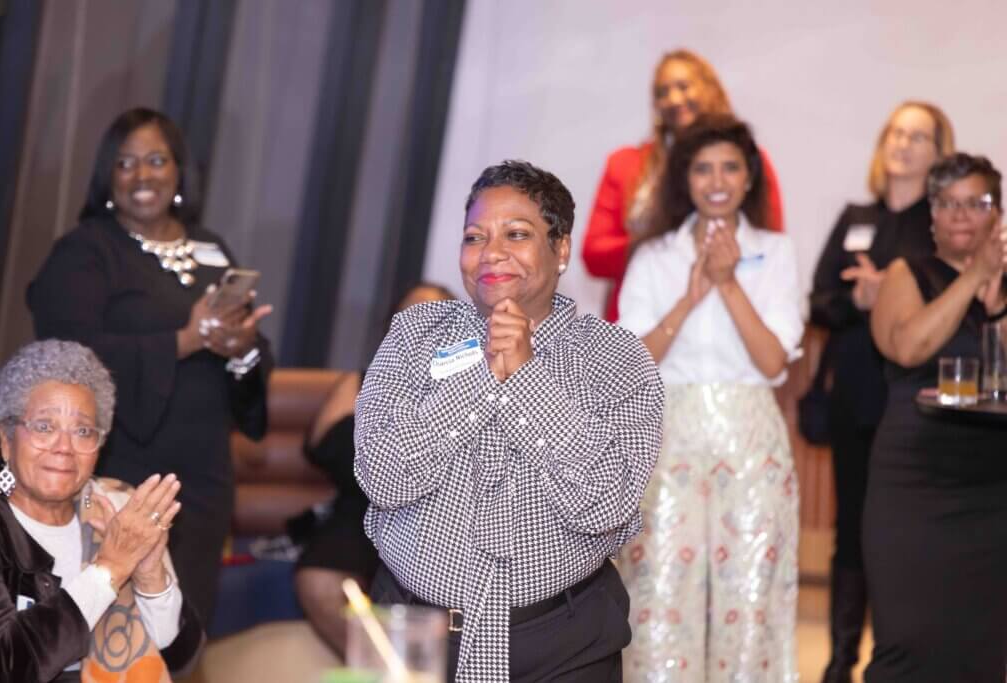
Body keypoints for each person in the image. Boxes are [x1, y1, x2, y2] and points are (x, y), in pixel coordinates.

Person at [354, 160, 664, 681]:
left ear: (561, 248)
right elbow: (381, 476)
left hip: (562, 645)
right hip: (408, 634)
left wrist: (524, 378)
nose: (491, 253)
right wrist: (480, 377)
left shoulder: (617, 357)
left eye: (517, 234)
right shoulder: (414, 333)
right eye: (475, 237)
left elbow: (607, 504)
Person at [27, 107, 273, 626]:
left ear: (178, 171)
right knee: (117, 633)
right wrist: (185, 338)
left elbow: (242, 365)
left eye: (156, 160)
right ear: (107, 177)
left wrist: (241, 347)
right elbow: (69, 356)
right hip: (120, 475)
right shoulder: (85, 252)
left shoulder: (211, 248)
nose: (143, 175)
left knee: (184, 632)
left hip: (201, 482)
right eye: (126, 163)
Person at [616, 113, 804, 681]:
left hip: (751, 444)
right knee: (658, 596)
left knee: (749, 602)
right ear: (685, 180)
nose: (717, 180)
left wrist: (728, 283)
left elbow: (773, 361)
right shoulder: (654, 257)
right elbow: (631, 364)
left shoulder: (775, 252)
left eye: (730, 167)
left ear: (749, 179)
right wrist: (691, 296)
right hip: (666, 438)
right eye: (702, 168)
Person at [807, 101, 954, 683]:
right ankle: (841, 661)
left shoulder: (941, 223)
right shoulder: (855, 216)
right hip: (855, 396)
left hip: (918, 401)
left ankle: (899, 656)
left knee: (905, 531)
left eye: (919, 136)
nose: (904, 143)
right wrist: (859, 302)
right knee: (851, 529)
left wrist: (889, 297)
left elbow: (950, 301)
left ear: (938, 152)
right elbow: (818, 302)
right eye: (897, 132)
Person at [864, 153, 1007, 682]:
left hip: (994, 487)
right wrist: (974, 279)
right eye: (949, 203)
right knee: (907, 638)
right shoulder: (907, 272)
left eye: (978, 202)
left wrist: (996, 305)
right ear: (931, 214)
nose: (963, 215)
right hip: (914, 484)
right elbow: (908, 345)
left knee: (986, 645)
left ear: (998, 211)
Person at [0, 339, 204, 682]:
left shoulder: (114, 506)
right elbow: (0, 668)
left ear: (99, 445)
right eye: (44, 427)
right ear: (6, 437)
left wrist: (149, 578)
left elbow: (180, 659)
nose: (64, 448)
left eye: (83, 431)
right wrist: (110, 568)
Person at [294, 282, 455, 657]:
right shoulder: (363, 380)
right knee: (319, 580)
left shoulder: (467, 390)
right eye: (406, 317)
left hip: (432, 519)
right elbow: (318, 447)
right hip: (359, 511)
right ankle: (388, 669)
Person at [582, 48, 784, 322]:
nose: (674, 99)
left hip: (733, 313)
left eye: (683, 86)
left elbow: (768, 239)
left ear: (711, 89)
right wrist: (654, 243)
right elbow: (594, 255)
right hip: (644, 314)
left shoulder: (748, 161)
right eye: (662, 92)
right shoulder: (626, 164)